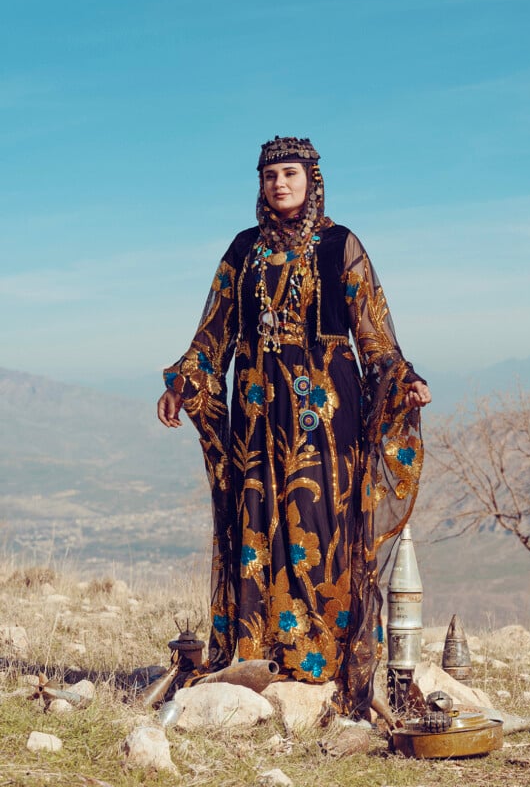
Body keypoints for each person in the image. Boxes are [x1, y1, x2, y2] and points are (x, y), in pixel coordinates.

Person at [157, 136, 431, 717]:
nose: (278, 184)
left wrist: (402, 378)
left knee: (320, 524)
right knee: (259, 519)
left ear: (311, 179)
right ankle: (260, 647)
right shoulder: (242, 251)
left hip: (326, 418)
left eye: (289, 173)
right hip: (258, 416)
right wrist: (185, 381)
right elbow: (214, 332)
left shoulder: (340, 247)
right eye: (269, 175)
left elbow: (373, 330)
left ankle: (325, 655)